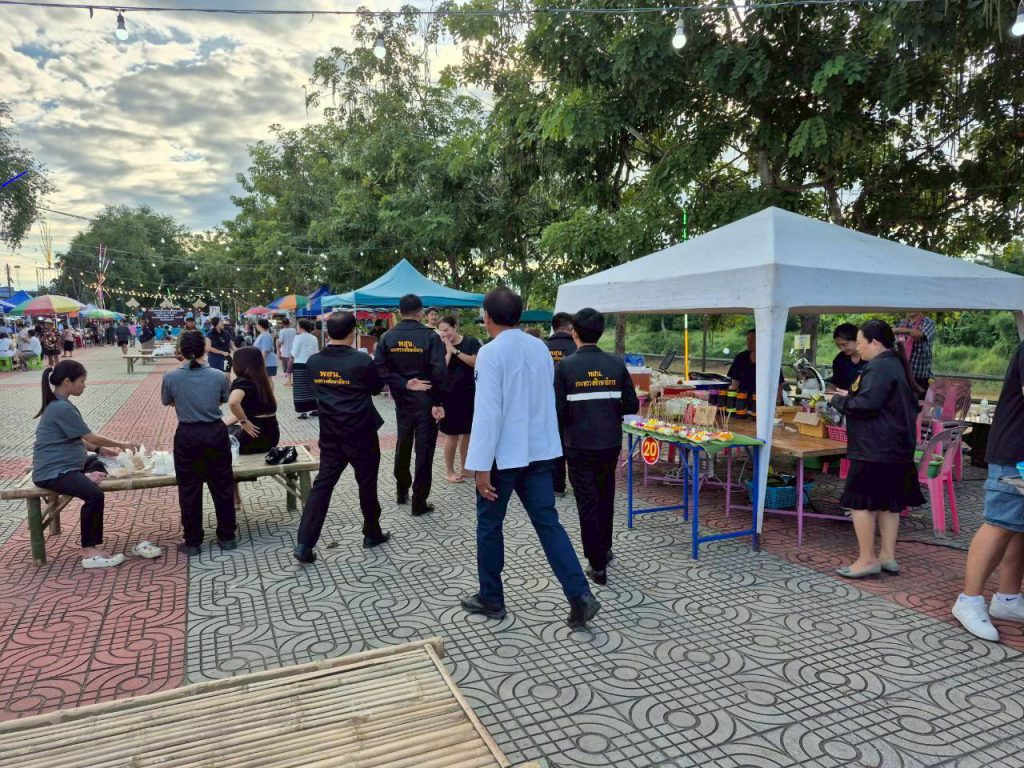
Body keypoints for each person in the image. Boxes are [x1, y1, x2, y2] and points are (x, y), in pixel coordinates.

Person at [462, 287, 600, 628]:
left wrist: (480, 466)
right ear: (519, 316)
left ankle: (491, 597)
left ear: (487, 317)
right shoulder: (539, 347)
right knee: (548, 524)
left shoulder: (490, 353)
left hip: (503, 456)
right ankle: (580, 595)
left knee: (490, 524)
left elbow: (488, 413)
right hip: (538, 452)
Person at [829, 320, 924, 578]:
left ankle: (867, 559)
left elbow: (866, 404)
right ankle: (887, 556)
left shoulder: (880, 367)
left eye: (860, 342)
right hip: (896, 446)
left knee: (860, 503)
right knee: (888, 503)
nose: (858, 347)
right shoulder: (895, 364)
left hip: (875, 447)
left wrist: (837, 400)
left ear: (874, 342)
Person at [294, 312, 390, 562]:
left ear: (328, 333)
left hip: (331, 433)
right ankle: (372, 532)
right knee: (367, 483)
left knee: (322, 486)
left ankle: (304, 543)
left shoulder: (314, 361)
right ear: (353, 332)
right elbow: (375, 389)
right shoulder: (361, 360)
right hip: (361, 432)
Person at [554, 308, 640, 586]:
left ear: (574, 332)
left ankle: (597, 563)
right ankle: (605, 548)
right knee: (605, 495)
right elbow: (631, 405)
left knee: (587, 502)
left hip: (578, 445)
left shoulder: (565, 367)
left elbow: (557, 411)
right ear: (601, 332)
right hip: (609, 443)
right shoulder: (616, 364)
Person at [32, 360, 145, 568]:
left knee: (100, 461)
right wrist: (122, 444)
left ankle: (84, 476)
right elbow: (90, 436)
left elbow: (77, 438)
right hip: (53, 472)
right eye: (82, 381)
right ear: (67, 382)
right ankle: (88, 549)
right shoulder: (61, 408)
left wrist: (100, 450)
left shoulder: (59, 404)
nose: (84, 385)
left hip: (68, 465)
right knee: (94, 496)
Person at [952, 338, 1024, 641]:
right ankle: (968, 600)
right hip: (1015, 452)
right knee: (1000, 524)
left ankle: (1008, 598)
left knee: (1018, 527)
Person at [161, 330, 237, 556]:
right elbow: (223, 399)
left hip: (187, 434)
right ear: (205, 350)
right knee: (222, 484)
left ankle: (193, 541)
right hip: (215, 432)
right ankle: (227, 536)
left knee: (189, 488)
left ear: (180, 351)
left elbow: (168, 401)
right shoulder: (218, 376)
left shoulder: (171, 377)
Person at [374, 294, 447, 516]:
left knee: (403, 444)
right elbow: (439, 371)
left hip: (402, 401)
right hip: (427, 400)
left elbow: (379, 369)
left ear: (399, 312)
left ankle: (401, 490)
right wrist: (438, 402)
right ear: (421, 313)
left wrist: (403, 383)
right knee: (424, 450)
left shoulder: (387, 337)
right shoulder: (430, 337)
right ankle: (419, 501)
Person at [224, 346, 280, 509]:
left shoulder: (242, 382)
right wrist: (228, 423)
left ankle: (234, 498)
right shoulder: (265, 381)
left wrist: (243, 422)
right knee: (225, 431)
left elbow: (233, 403)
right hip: (271, 438)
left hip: (251, 440)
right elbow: (251, 411)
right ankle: (235, 496)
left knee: (222, 447)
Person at [437, 315, 482, 483]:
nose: (444, 334)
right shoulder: (440, 346)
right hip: (449, 395)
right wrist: (448, 351)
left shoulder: (471, 342)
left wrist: (456, 351)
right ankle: (449, 471)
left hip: (469, 394)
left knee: (468, 433)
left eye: (446, 330)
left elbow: (476, 362)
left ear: (455, 327)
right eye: (441, 331)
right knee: (452, 435)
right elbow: (440, 369)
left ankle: (466, 468)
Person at [546, 312, 577, 496]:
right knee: (573, 445)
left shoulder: (542, 348)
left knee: (553, 445)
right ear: (570, 327)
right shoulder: (576, 348)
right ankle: (577, 484)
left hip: (547, 406)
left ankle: (557, 486)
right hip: (573, 406)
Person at [727, 329, 783, 408]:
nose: (749, 342)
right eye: (748, 339)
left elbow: (778, 384)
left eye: (753, 339)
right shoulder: (740, 357)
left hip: (765, 402)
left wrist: (778, 402)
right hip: (743, 402)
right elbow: (735, 383)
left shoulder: (770, 359)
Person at [894, 312, 936, 394]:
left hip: (920, 375)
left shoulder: (928, 322)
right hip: (902, 373)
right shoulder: (902, 322)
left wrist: (898, 330)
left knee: (919, 400)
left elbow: (920, 334)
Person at [291, 319, 320, 418]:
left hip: (299, 364)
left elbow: (294, 353)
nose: (296, 328)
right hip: (311, 364)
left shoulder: (297, 338)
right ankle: (314, 409)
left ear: (301, 327)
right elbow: (316, 352)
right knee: (311, 387)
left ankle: (303, 411)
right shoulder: (313, 338)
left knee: (300, 389)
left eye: (297, 326)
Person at [829, 323, 866, 391]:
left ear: (857, 340)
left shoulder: (870, 359)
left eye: (845, 344)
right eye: (838, 345)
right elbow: (835, 383)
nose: (842, 349)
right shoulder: (839, 360)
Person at [278, 317, 296, 386]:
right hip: (293, 351)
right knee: (292, 367)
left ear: (282, 324)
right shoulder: (294, 330)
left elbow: (280, 341)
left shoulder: (282, 331)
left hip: (285, 352)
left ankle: (289, 381)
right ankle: (293, 380)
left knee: (287, 368)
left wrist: (277, 345)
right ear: (289, 323)